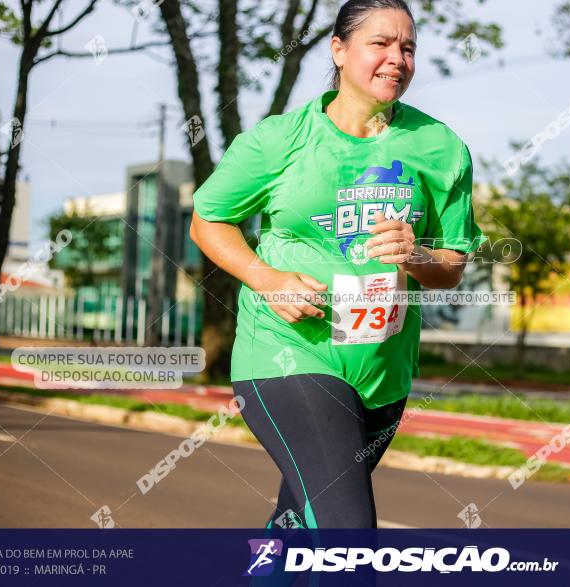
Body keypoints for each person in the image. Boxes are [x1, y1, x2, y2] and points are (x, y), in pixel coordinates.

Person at [190, 0, 486, 529]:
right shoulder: (279, 140)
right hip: (289, 354)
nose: (397, 58)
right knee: (347, 530)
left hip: (381, 371)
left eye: (408, 47)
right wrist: (268, 278)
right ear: (339, 50)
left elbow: (451, 266)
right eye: (381, 43)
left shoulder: (440, 148)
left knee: (299, 524)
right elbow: (207, 220)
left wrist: (416, 254)